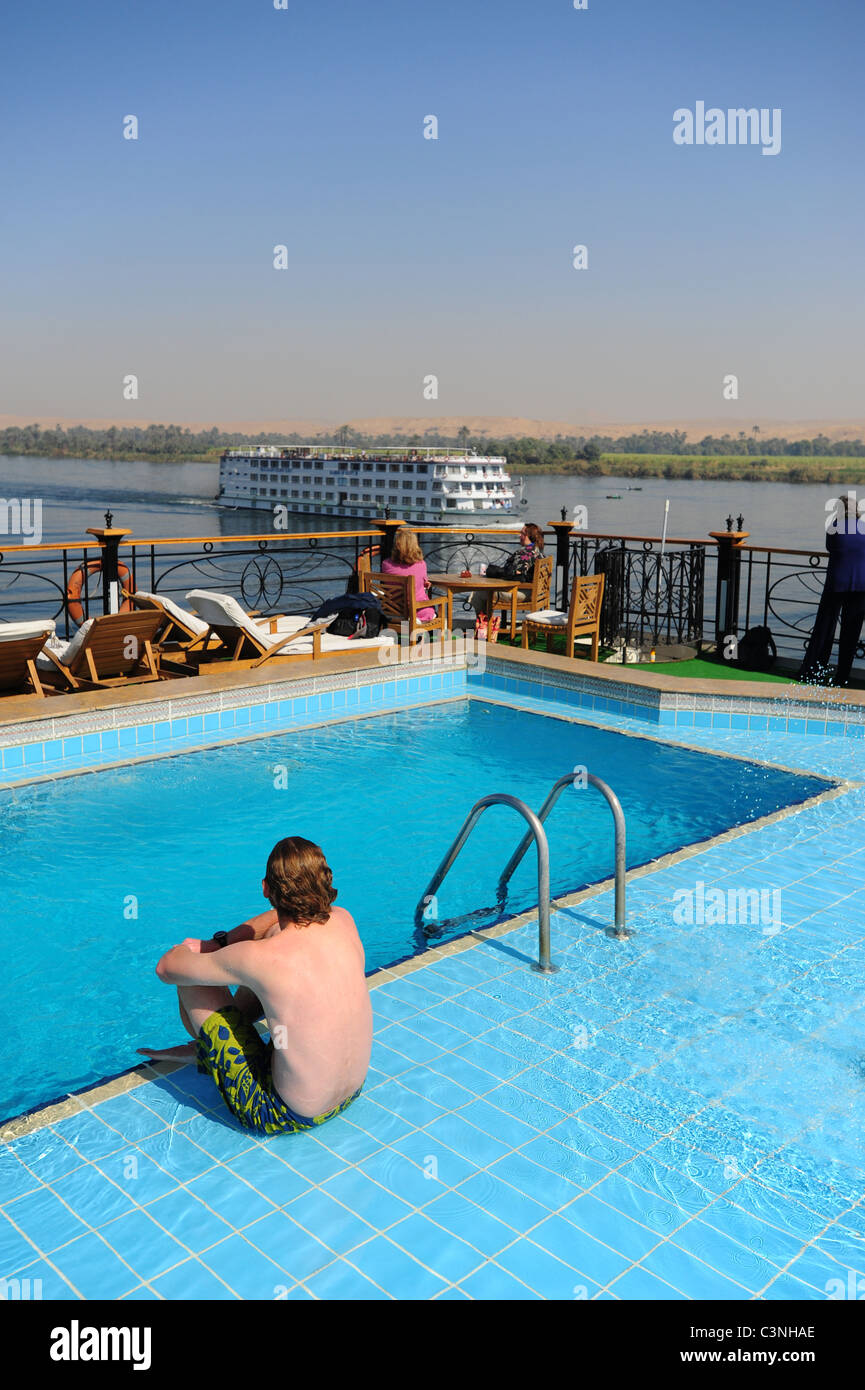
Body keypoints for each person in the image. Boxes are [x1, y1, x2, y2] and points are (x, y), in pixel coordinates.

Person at [138, 838, 372, 1135]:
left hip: (283, 1114)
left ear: (265, 889)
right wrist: (223, 942)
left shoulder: (260, 957)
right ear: (325, 883)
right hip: (349, 1094)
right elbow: (282, 917)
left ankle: (208, 1050)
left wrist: (203, 948)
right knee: (269, 952)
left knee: (192, 976)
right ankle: (214, 1048)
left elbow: (166, 969)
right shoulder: (343, 919)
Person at [799, 495, 865, 686]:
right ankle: (842, 676)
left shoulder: (835, 526)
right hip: (861, 585)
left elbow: (830, 547)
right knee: (850, 634)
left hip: (837, 583)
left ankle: (814, 672)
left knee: (825, 629)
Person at [381, 526, 436, 622]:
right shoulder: (421, 564)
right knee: (436, 605)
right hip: (416, 611)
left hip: (392, 610)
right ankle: (420, 636)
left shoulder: (386, 564)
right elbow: (423, 583)